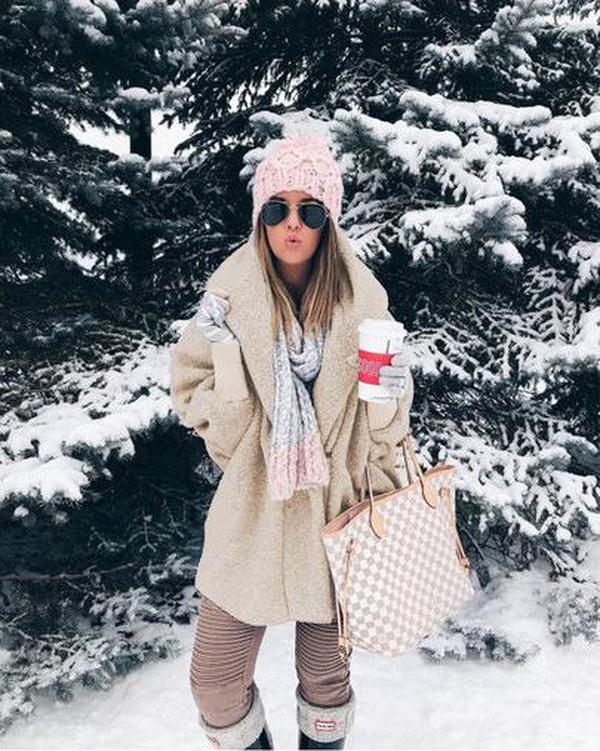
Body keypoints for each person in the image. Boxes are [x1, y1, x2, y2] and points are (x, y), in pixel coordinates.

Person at [169, 132, 414, 750]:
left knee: (326, 683)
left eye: (310, 210)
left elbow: (388, 429)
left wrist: (385, 401)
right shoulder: (227, 301)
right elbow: (192, 384)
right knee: (215, 685)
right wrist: (233, 418)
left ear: (329, 220)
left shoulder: (366, 304)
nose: (293, 224)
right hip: (255, 510)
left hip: (336, 517)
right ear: (261, 217)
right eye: (277, 208)